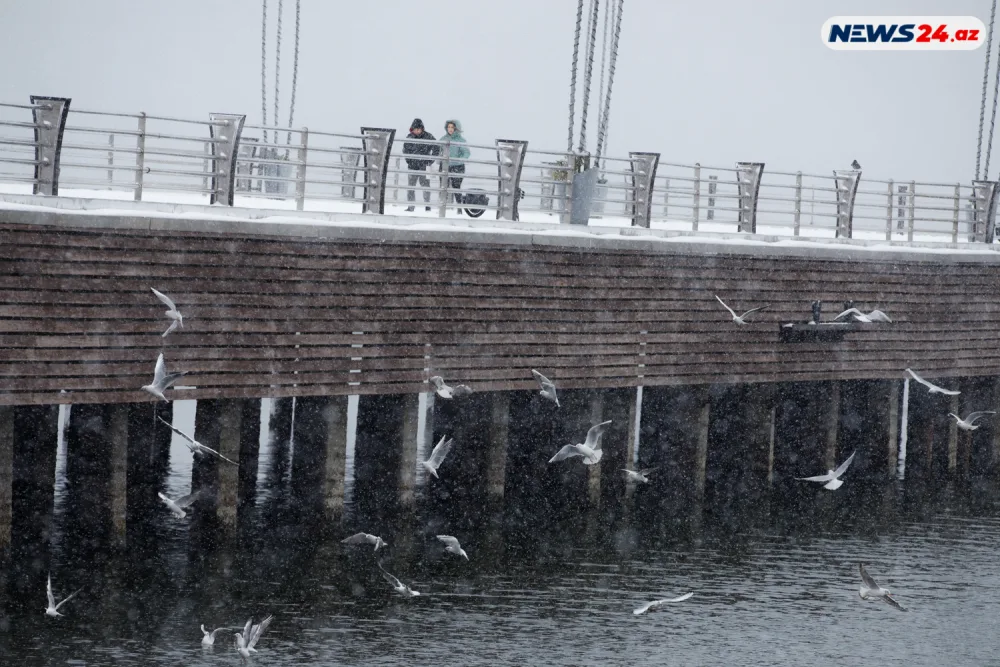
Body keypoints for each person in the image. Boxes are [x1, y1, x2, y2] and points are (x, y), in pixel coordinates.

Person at [402, 118, 438, 211]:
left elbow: (436, 147)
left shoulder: (428, 136)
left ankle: (427, 205)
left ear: (422, 129)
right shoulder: (409, 137)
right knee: (411, 187)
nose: (417, 131)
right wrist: (409, 161)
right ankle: (411, 206)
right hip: (412, 166)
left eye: (419, 129)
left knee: (426, 187)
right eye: (415, 129)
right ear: (412, 129)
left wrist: (430, 161)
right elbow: (405, 150)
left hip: (425, 166)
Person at [441, 119, 470, 209]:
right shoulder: (443, 139)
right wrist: (441, 159)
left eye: (452, 127)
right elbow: (438, 150)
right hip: (445, 166)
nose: (450, 129)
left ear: (456, 128)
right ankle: (443, 207)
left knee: (456, 187)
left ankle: (459, 207)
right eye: (448, 127)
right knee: (443, 186)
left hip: (458, 167)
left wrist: (458, 160)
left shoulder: (461, 140)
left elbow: (466, 153)